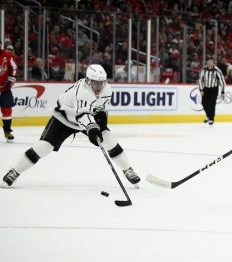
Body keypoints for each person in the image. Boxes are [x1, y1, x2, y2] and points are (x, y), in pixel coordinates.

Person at [1, 64, 141, 188]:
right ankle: (14, 171)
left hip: (86, 118)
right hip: (64, 118)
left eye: (101, 83)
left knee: (108, 138)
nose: (99, 87)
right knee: (44, 147)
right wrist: (92, 129)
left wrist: (101, 124)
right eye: (95, 83)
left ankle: (128, 169)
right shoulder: (83, 92)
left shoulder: (107, 90)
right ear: (88, 80)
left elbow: (100, 110)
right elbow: (82, 116)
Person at [198, 56, 226, 126]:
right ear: (206, 62)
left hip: (214, 89)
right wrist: (201, 89)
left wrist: (222, 91)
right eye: (208, 61)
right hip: (206, 88)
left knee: (212, 104)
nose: (210, 63)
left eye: (211, 61)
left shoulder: (217, 70)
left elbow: (222, 81)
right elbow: (201, 80)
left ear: (213, 62)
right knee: (204, 103)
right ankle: (208, 116)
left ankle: (211, 119)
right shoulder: (204, 70)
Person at [0, 40, 18, 142]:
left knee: (7, 110)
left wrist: (11, 78)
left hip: (5, 89)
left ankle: (7, 131)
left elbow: (14, 67)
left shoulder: (8, 55)